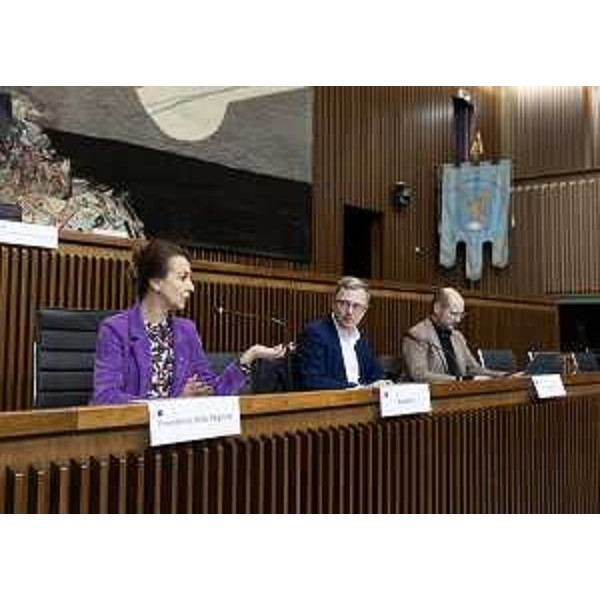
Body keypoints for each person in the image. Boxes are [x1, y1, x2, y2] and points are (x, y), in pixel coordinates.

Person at [93, 239, 286, 405]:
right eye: (183, 278)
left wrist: (250, 356)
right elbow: (106, 398)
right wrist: (173, 401)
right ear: (156, 282)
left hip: (178, 435)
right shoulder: (115, 329)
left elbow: (213, 392)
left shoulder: (186, 330)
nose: (191, 287)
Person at [402, 287, 507, 383]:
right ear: (437, 308)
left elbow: (473, 368)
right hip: (431, 395)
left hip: (459, 393)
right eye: (453, 313)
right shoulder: (416, 335)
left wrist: (504, 376)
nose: (458, 320)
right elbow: (420, 375)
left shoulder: (457, 336)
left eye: (461, 315)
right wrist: (460, 380)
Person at [298, 276, 383, 390]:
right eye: (343, 303)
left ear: (364, 311)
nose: (349, 312)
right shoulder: (315, 333)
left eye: (356, 306)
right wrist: (359, 389)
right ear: (333, 304)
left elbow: (376, 376)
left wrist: (383, 383)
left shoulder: (361, 339)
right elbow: (311, 381)